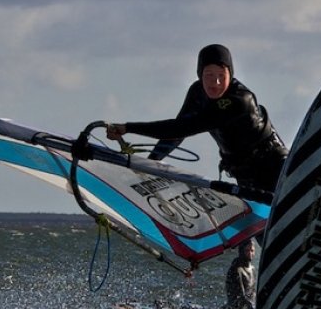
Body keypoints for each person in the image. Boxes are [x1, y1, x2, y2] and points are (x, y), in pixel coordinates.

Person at [105, 44, 287, 198]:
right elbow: (176, 136)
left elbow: (181, 128)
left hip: (274, 169)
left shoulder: (239, 100)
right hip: (244, 173)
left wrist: (128, 127)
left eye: (221, 76)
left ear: (230, 75)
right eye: (209, 75)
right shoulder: (198, 92)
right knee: (256, 233)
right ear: (200, 74)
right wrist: (148, 165)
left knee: (274, 229)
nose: (215, 82)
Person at [219, 237, 257, 309]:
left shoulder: (253, 269)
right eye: (247, 250)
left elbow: (253, 292)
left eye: (252, 250)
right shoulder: (236, 269)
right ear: (241, 251)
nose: (250, 253)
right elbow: (241, 295)